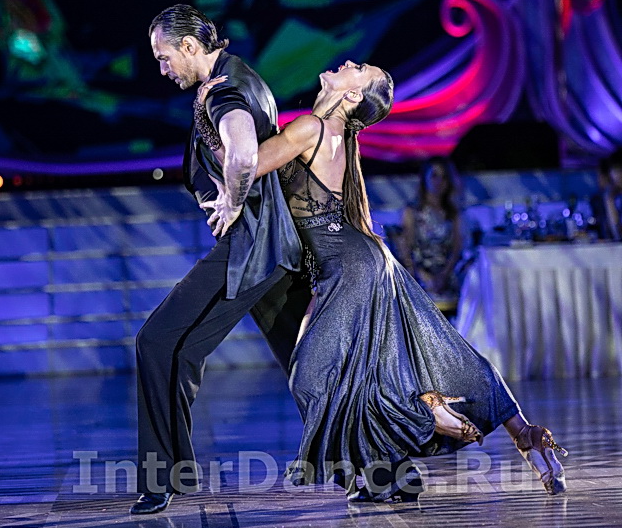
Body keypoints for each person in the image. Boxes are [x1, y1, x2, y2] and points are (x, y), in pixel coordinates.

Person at [208, 60, 568, 502]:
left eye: (358, 69)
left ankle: (421, 415)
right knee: (411, 359)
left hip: (352, 266)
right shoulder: (335, 134)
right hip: (357, 262)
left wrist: (207, 110)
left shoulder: (311, 128)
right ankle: (522, 435)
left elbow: (244, 165)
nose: (347, 63)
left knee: (311, 378)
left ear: (353, 95)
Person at [130, 5, 310, 515]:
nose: (162, 69)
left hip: (251, 250)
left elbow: (244, 151)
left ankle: (161, 478)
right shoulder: (236, 76)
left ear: (189, 47)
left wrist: (231, 199)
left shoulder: (224, 90)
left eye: (164, 57)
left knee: (158, 341)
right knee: (310, 365)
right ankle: (383, 466)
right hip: (274, 250)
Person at [398, 157, 464, 317]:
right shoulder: (412, 211)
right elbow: (406, 249)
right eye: (434, 176)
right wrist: (423, 276)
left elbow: (457, 249)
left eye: (443, 177)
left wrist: (444, 275)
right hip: (419, 274)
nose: (439, 181)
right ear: (425, 179)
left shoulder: (453, 213)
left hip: (447, 274)